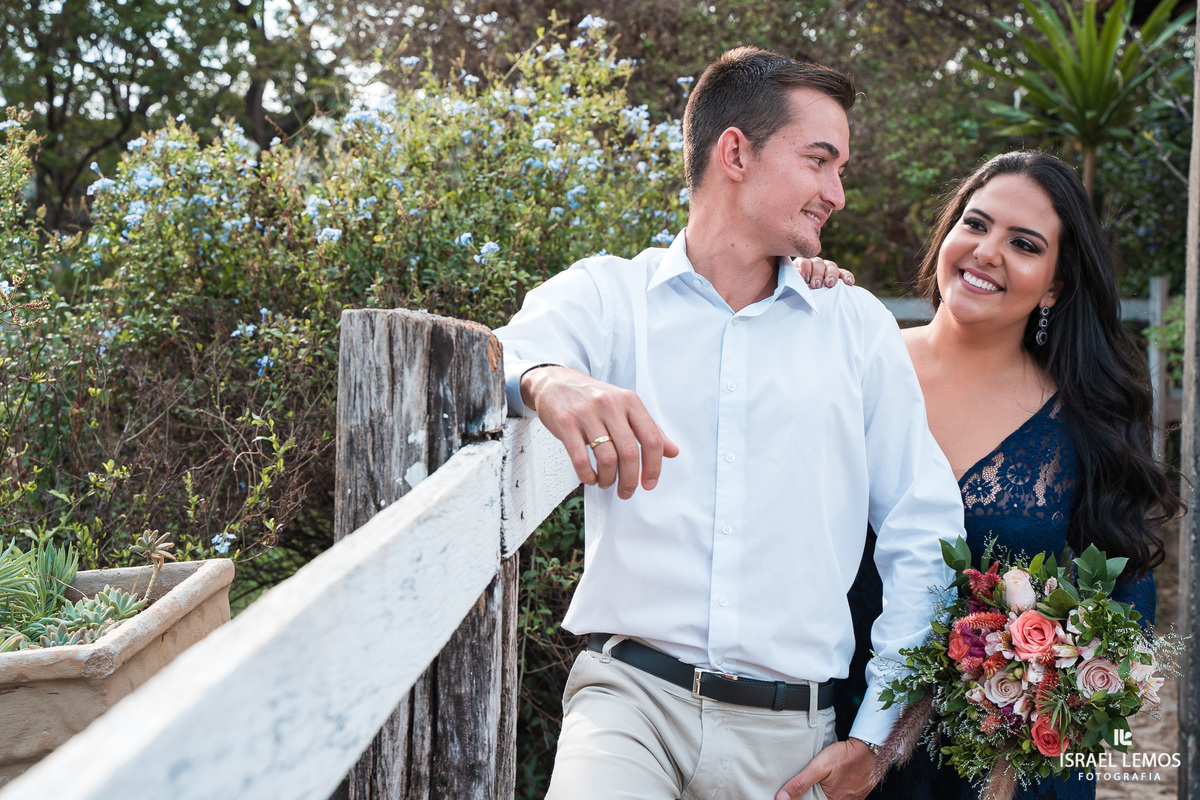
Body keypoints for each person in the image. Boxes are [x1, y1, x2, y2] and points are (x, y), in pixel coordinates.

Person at [493, 46, 968, 800]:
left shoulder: (856, 327)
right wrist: (548, 380)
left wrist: (876, 737)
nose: (837, 194)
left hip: (789, 745)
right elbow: (497, 355)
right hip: (628, 704)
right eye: (820, 161)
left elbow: (924, 529)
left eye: (839, 169)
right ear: (736, 153)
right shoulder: (610, 296)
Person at [801, 150, 1183, 800]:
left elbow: (1124, 603)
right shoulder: (850, 362)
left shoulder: (1085, 423)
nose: (987, 251)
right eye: (975, 225)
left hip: (1000, 770)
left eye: (1024, 244)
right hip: (827, 738)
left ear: (1055, 286)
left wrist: (1049, 685)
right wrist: (794, 290)